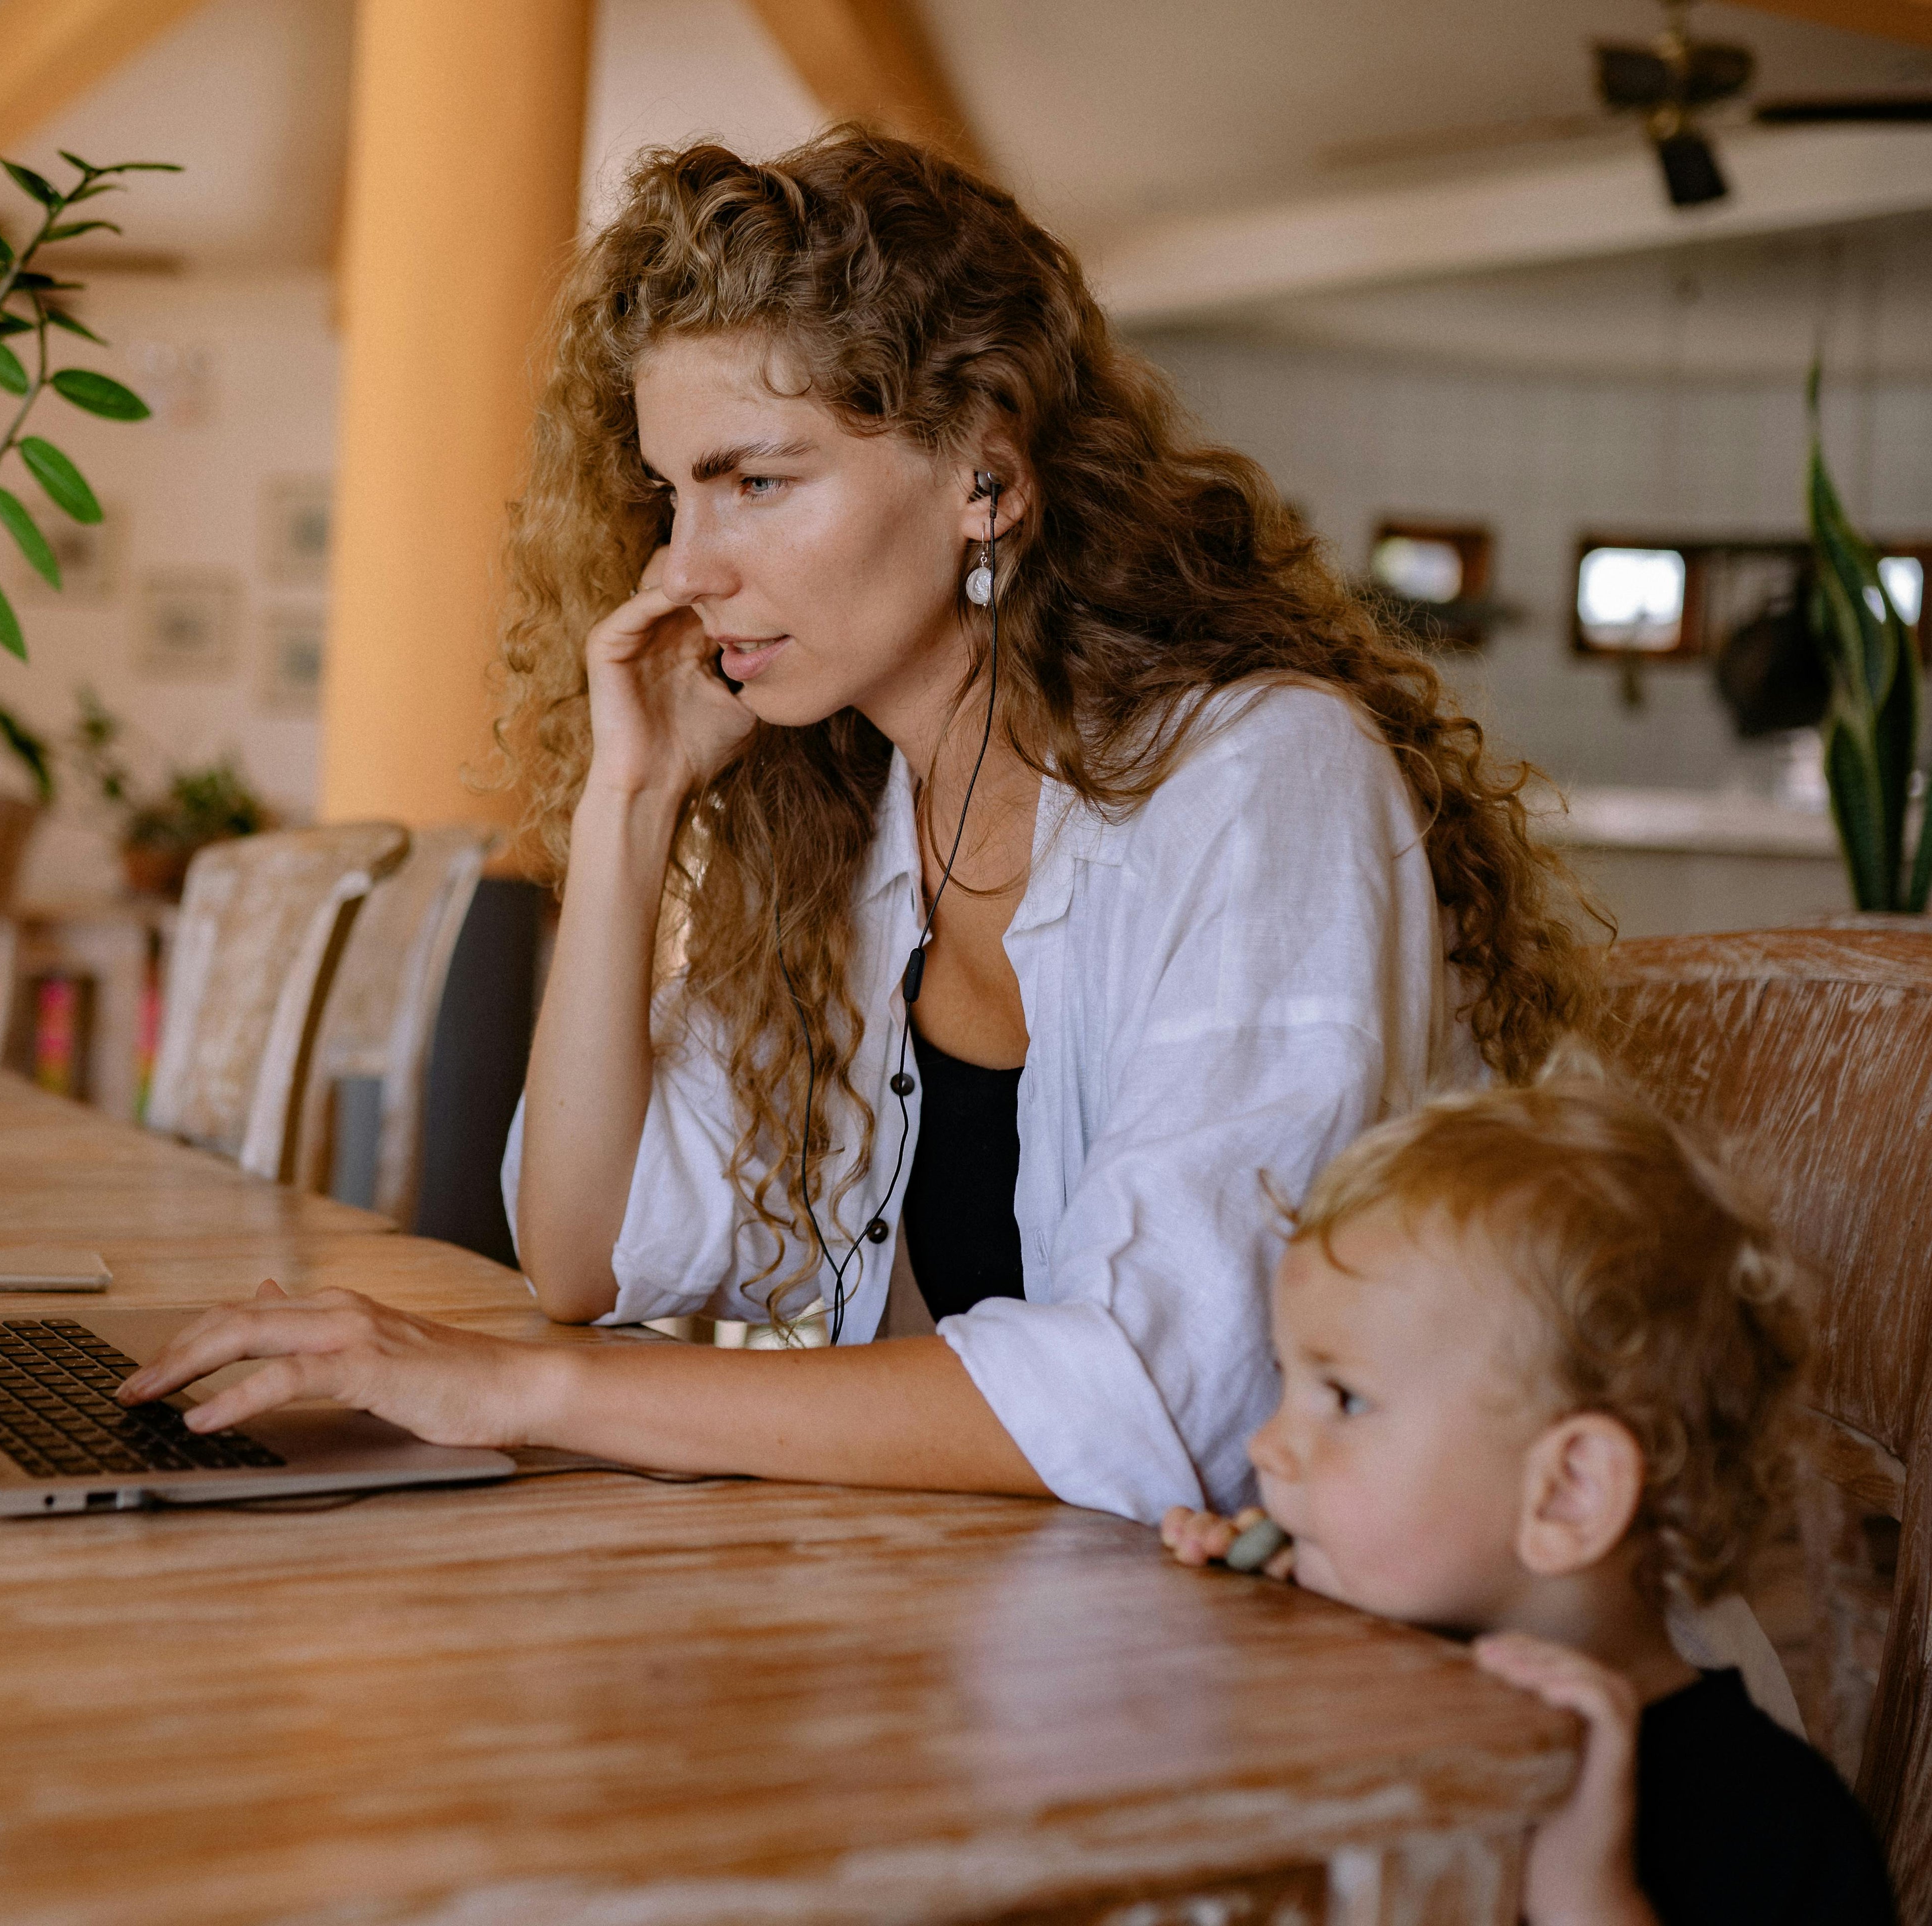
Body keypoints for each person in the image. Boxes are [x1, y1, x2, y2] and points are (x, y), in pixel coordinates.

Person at [118, 128, 1596, 1521]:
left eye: (756, 481)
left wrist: (523, 1386)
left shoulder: (1263, 782)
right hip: (1043, 1639)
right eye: (670, 498)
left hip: (1378, 1666)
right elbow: (586, 1253)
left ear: (984, 478)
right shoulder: (861, 822)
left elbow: (1164, 1397)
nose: (687, 570)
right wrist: (630, 808)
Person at [1162, 1072, 1896, 1925]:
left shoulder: (1773, 1830)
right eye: (1286, 1379)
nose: (1266, 1444)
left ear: (1570, 1493)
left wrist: (1587, 1899)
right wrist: (1250, 1633)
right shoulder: (1368, 1681)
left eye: (1346, 1399)